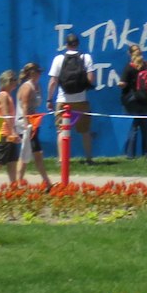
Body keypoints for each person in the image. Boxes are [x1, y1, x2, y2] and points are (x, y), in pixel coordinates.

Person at [46, 32, 96, 163]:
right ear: (78, 44)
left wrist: (49, 99)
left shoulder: (58, 59)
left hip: (63, 100)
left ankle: (62, 160)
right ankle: (89, 158)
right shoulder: (86, 58)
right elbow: (91, 79)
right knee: (85, 131)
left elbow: (52, 82)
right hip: (81, 100)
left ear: (66, 45)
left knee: (61, 130)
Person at [118, 44, 147, 159]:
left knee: (133, 128)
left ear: (129, 54)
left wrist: (121, 84)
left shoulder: (129, 67)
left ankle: (131, 155)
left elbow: (123, 84)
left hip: (133, 102)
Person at [16, 63, 52, 189]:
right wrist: (27, 125)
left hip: (34, 123)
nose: (40, 74)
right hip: (25, 123)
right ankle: (19, 182)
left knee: (35, 152)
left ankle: (46, 182)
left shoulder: (37, 86)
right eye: (38, 72)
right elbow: (24, 106)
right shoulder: (27, 87)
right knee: (28, 152)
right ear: (32, 73)